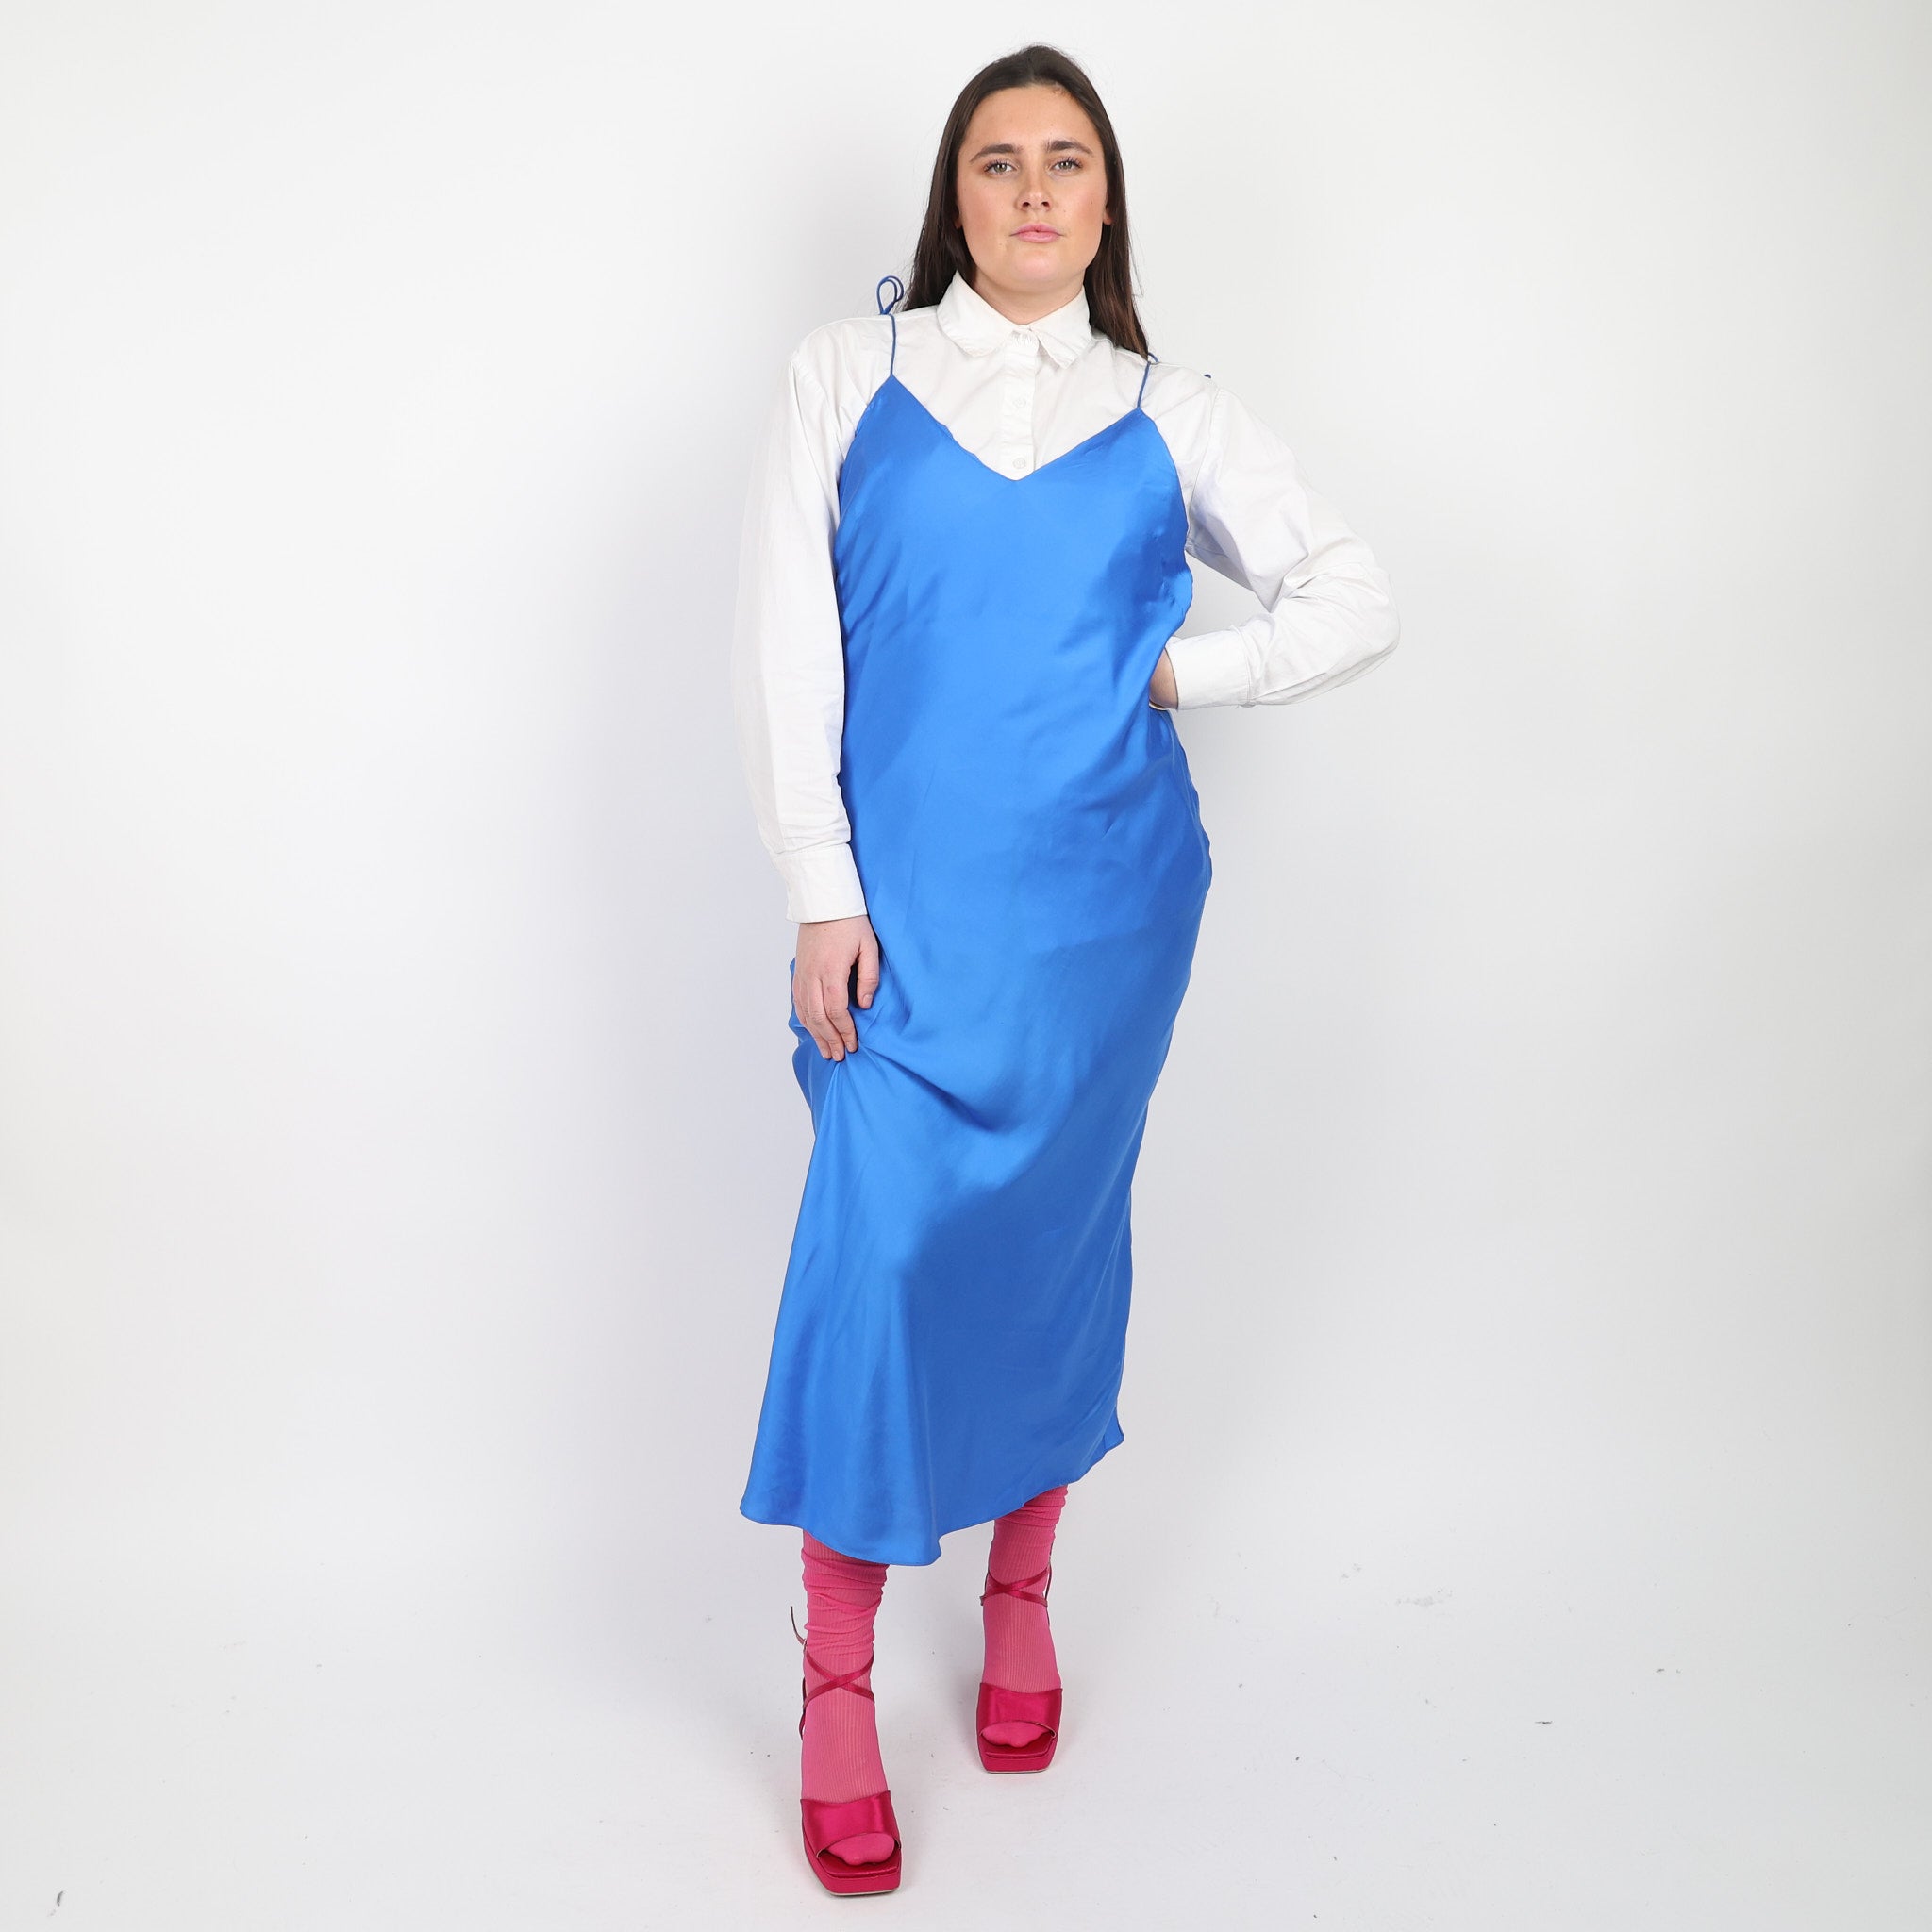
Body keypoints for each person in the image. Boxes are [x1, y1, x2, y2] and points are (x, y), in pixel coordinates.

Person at [728, 43, 1401, 1896]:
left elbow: (1352, 594)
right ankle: (837, 1682)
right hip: (898, 928)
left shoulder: (1170, 409)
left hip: (1105, 921)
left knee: (1049, 1250)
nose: (1032, 191)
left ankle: (1020, 1593)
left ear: (1106, 206)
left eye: (1067, 163)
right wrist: (819, 887)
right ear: (953, 197)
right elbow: (789, 644)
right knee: (873, 1262)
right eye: (998, 161)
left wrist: (1182, 671)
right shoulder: (846, 374)